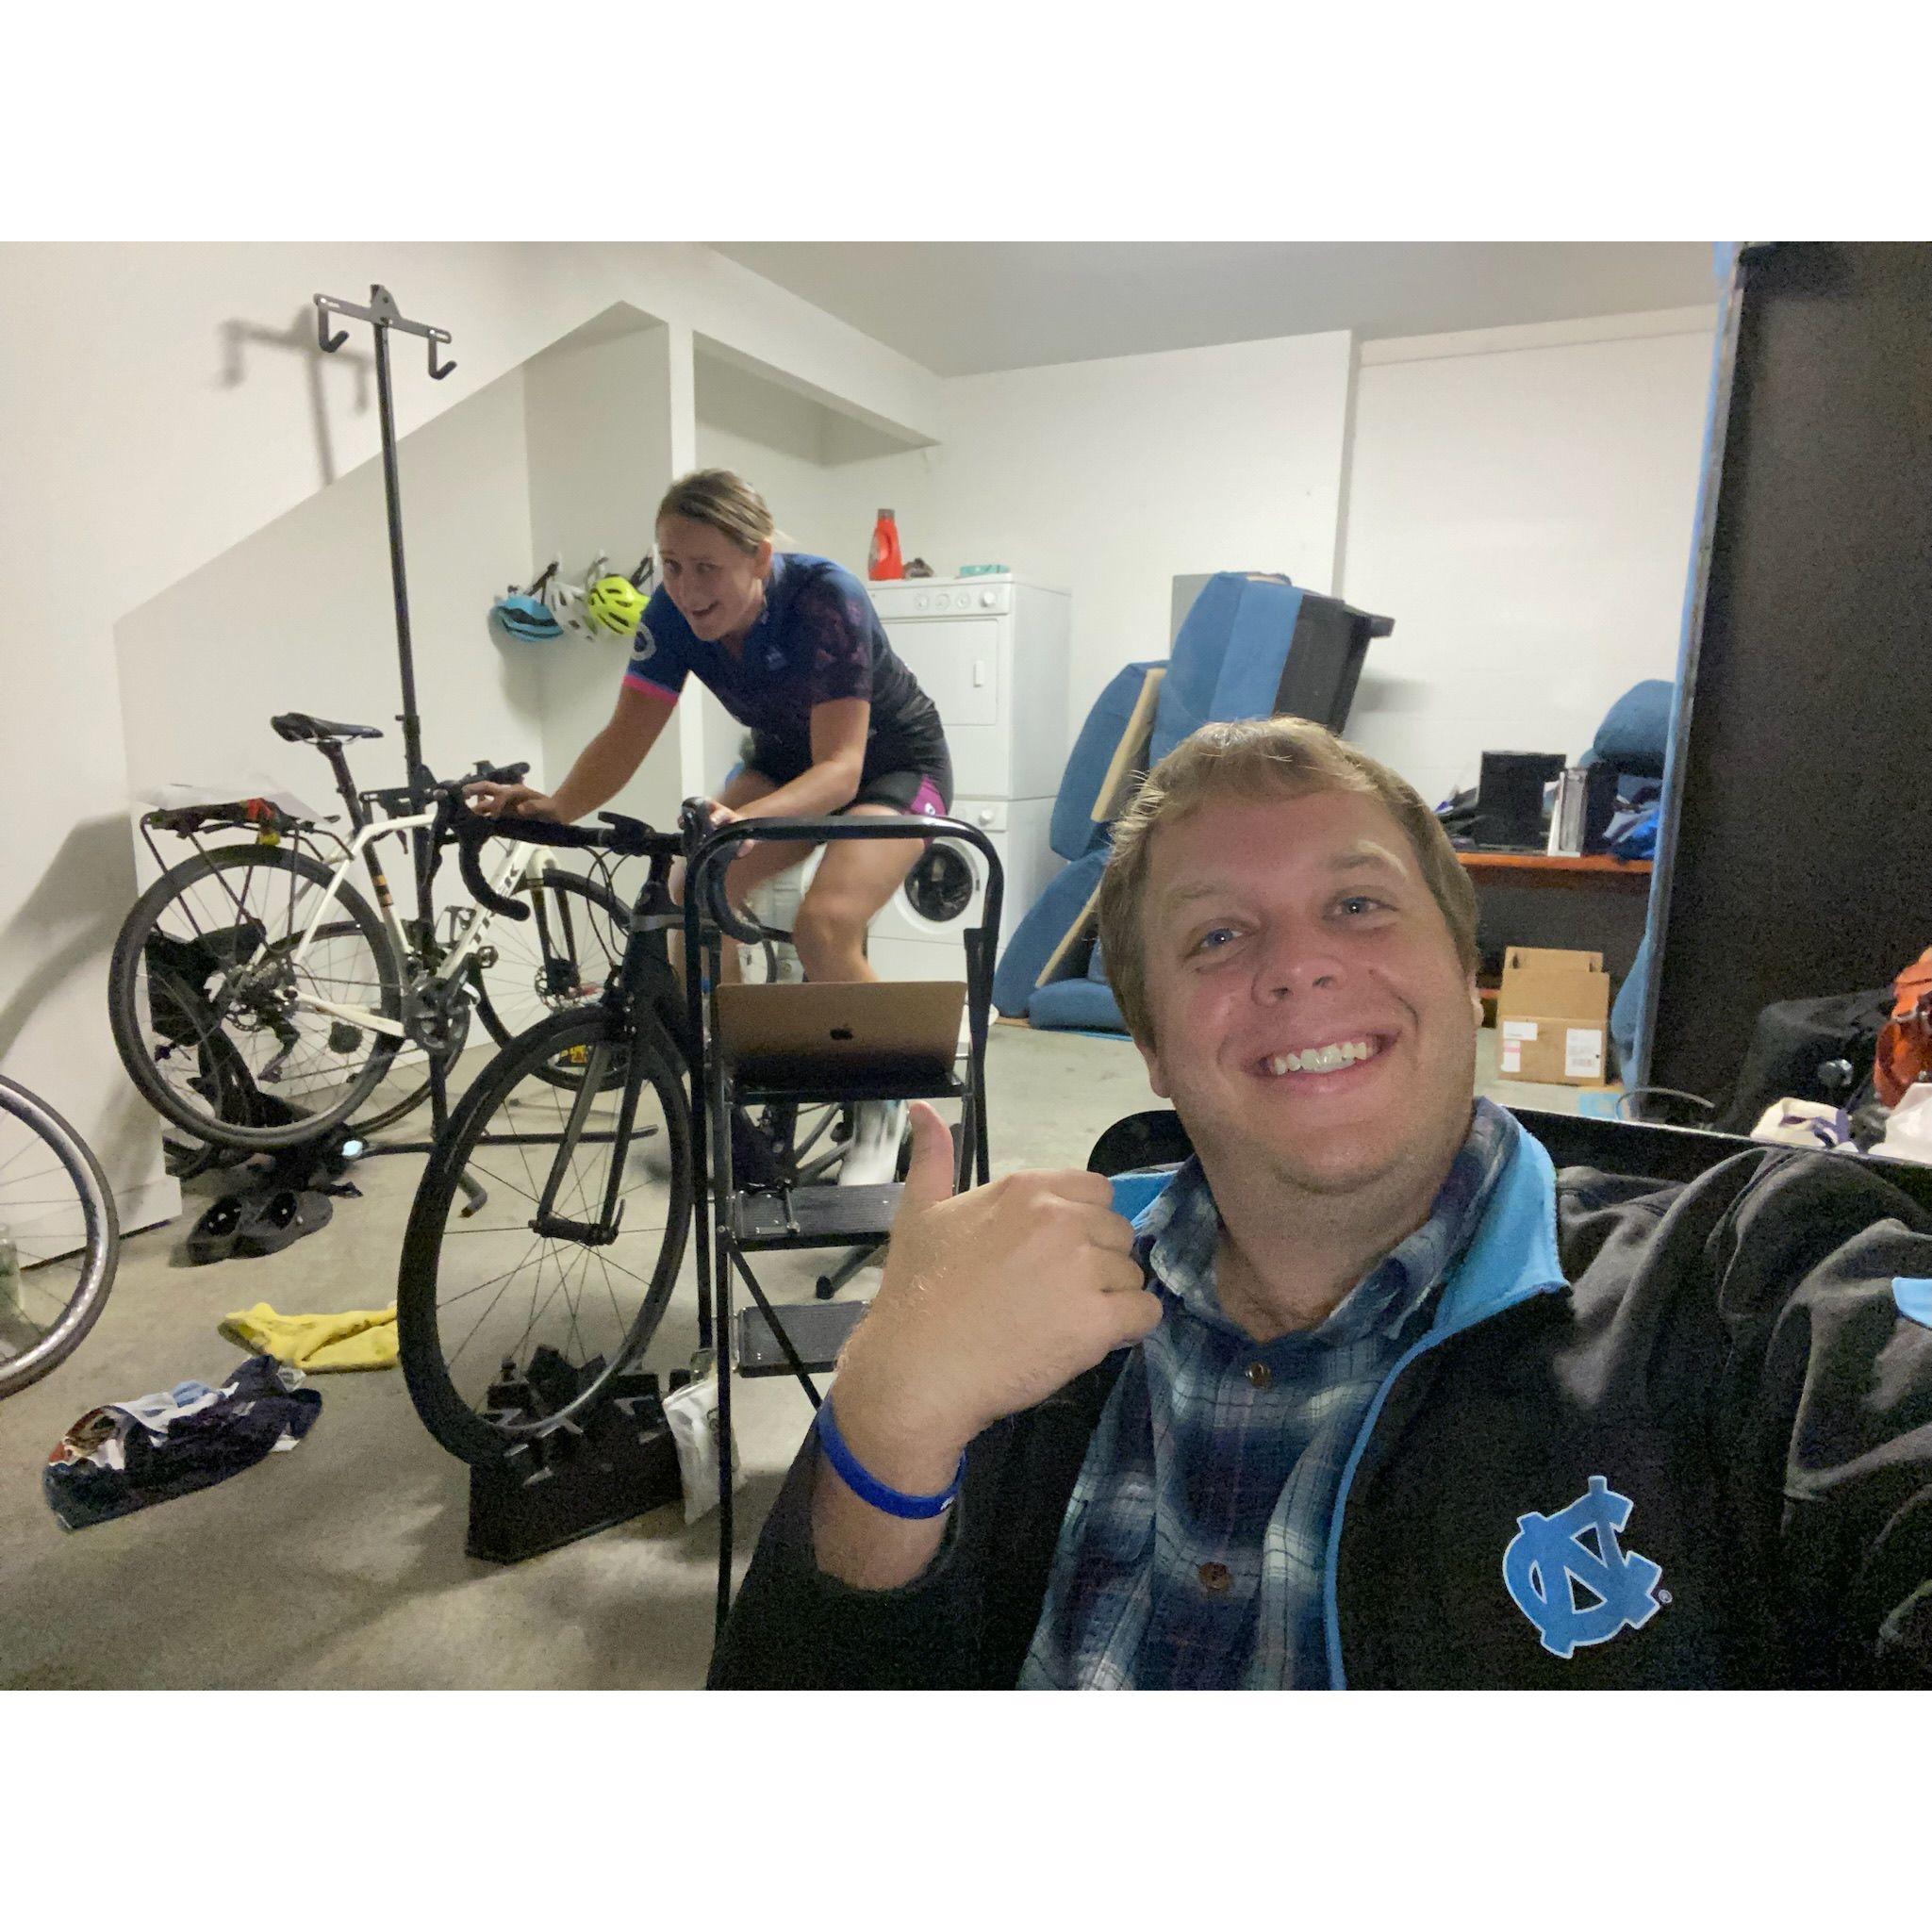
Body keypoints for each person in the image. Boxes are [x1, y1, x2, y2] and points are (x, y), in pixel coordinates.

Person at [709, 715, 1932, 1689]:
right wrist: (885, 1418)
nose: (1296, 962)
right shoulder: (1013, 1314)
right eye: (1217, 936)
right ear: (1149, 1047)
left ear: (1464, 974)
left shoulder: (1758, 1278)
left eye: (1356, 903)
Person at [468, 470, 953, 1184]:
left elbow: (841, 772)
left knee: (825, 923)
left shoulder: (827, 597)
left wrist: (740, 817)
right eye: (670, 565)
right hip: (785, 760)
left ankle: (881, 1106)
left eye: (706, 567)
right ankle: (738, 1084)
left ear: (759, 557)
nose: (687, 587)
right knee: (694, 886)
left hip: (892, 767)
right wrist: (555, 806)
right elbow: (625, 735)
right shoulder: (669, 614)